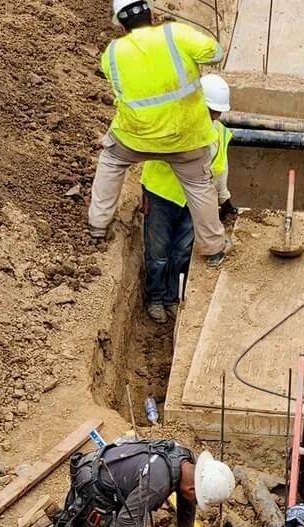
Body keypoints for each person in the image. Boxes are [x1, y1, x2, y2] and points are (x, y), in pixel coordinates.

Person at [88, 0, 230, 266]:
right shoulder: (174, 33)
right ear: (152, 14)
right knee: (200, 186)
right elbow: (215, 54)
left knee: (111, 161)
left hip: (135, 136)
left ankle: (97, 224)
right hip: (186, 137)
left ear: (120, 25)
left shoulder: (112, 53)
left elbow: (118, 85)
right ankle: (213, 250)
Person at [5, 438, 234, 527]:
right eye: (197, 497)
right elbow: (128, 517)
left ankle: (73, 521)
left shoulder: (185, 461)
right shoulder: (158, 481)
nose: (194, 502)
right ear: (192, 488)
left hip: (119, 484)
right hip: (96, 489)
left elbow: (186, 502)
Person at [140, 74, 237, 324]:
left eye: (217, 113)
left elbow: (220, 168)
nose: (214, 117)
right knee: (158, 252)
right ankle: (155, 298)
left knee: (182, 251)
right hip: (161, 195)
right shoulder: (171, 124)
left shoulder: (220, 134)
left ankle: (173, 298)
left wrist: (224, 197)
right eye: (211, 111)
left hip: (193, 202)